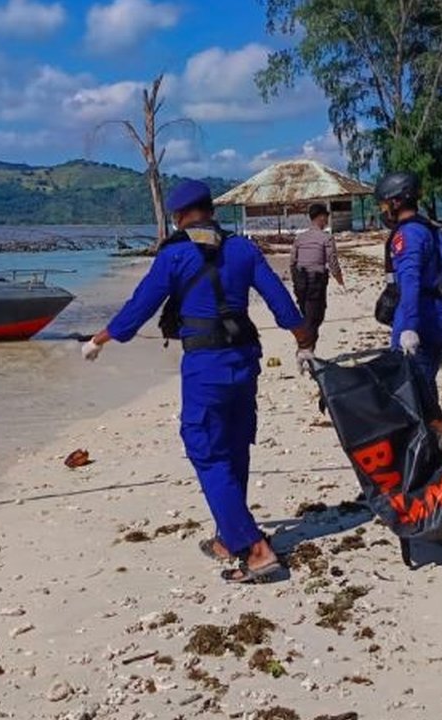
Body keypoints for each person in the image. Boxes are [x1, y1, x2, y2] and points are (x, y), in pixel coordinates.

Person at [81, 180, 311, 583]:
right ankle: (228, 538)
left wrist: (100, 339)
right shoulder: (241, 247)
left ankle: (255, 550)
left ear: (179, 216)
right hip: (246, 358)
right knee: (235, 446)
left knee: (204, 447)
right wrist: (302, 339)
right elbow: (278, 297)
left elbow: (140, 307)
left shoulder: (174, 256)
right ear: (211, 209)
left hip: (207, 365)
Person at [375, 171, 442, 399]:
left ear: (397, 201)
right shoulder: (434, 230)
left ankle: (436, 434)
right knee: (425, 390)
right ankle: (436, 431)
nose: (384, 212)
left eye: (385, 205)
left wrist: (408, 326)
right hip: (440, 320)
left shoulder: (408, 235)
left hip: (419, 320)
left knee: (410, 397)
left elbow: (410, 281)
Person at [289, 203, 344, 356]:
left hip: (300, 281)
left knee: (307, 316)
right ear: (321, 217)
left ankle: (307, 349)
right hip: (316, 282)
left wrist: (296, 280)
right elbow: (332, 262)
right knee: (315, 318)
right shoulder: (326, 238)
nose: (327, 220)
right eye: (326, 217)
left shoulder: (300, 238)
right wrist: (340, 280)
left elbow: (292, 262)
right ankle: (306, 352)